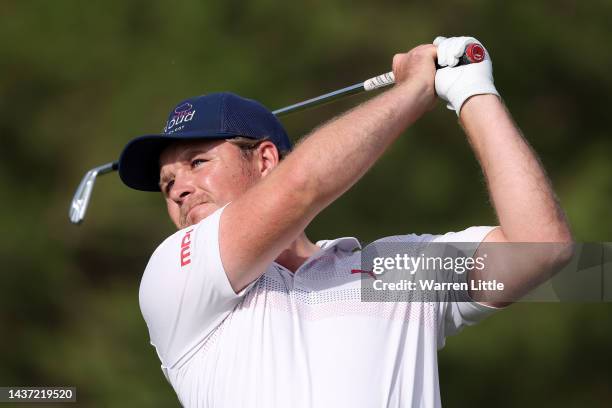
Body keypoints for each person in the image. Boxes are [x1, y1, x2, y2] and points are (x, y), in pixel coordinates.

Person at [117, 36, 572, 407]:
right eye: (166, 182)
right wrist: (413, 91)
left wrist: (473, 91)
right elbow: (300, 188)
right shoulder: (174, 278)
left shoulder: (394, 272)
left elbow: (541, 251)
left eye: (197, 162)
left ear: (266, 160)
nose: (177, 188)